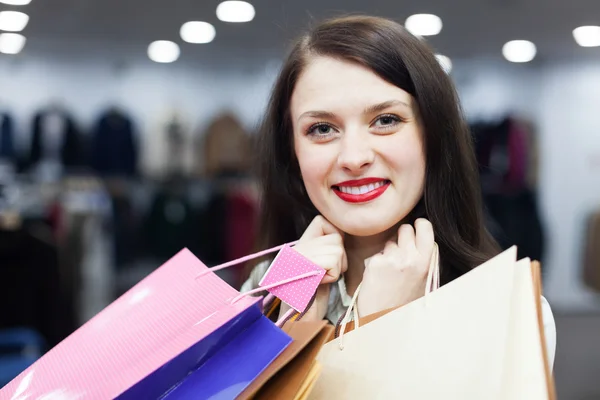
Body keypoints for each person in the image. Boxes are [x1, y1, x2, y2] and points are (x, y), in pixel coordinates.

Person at [241, 15, 556, 366]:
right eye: (322, 128)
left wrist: (380, 329)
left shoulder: (508, 305)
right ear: (292, 151)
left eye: (386, 120)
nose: (354, 157)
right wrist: (296, 327)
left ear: (434, 136)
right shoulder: (267, 285)